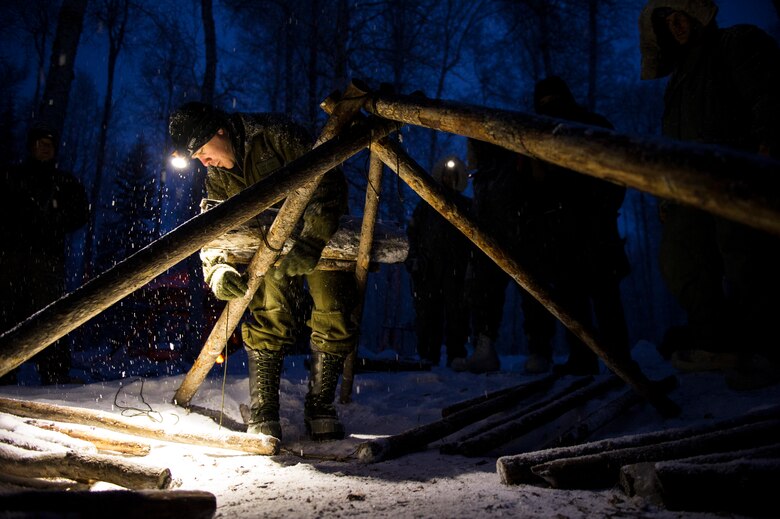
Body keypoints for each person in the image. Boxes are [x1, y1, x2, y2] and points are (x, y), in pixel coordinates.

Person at [168, 102, 357, 441]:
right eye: (195, 156)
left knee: (335, 310)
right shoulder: (219, 178)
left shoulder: (275, 134)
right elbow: (215, 230)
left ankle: (320, 405)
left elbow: (328, 181)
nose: (202, 161)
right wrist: (218, 270)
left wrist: (312, 241)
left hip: (324, 240)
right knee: (269, 311)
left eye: (201, 150)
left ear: (220, 131)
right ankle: (265, 410)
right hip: (268, 249)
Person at [639, 0, 780, 385]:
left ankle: (766, 349)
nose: (677, 25)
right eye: (668, 21)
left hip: (738, 173)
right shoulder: (678, 81)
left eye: (681, 16)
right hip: (689, 189)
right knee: (679, 260)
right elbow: (672, 142)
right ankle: (718, 346)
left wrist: (767, 146)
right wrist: (668, 197)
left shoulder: (737, 42)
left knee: (745, 256)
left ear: (697, 15)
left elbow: (769, 93)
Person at [521, 76, 631, 376]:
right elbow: (533, 185)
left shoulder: (588, 125)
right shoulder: (540, 132)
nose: (549, 104)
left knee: (600, 295)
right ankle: (588, 358)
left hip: (591, 225)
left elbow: (617, 171)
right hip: (564, 229)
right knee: (576, 297)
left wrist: (605, 207)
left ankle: (617, 358)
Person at [0, 127, 89, 385]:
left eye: (49, 143)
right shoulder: (12, 177)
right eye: (40, 143)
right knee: (8, 310)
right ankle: (5, 369)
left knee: (50, 314)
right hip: (11, 256)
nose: (45, 148)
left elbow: (80, 213)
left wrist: (54, 221)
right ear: (32, 146)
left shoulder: (64, 181)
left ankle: (54, 370)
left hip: (46, 257)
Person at [451, 139, 526, 374]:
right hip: (489, 245)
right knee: (482, 294)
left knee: (531, 291)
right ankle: (484, 347)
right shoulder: (485, 175)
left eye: (471, 149)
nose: (468, 155)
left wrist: (507, 234)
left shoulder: (503, 169)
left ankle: (539, 349)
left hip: (510, 241)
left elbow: (507, 206)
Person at [405, 156, 471, 367]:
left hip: (456, 270)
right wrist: (414, 259)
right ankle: (427, 355)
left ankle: (456, 355)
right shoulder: (426, 205)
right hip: (428, 268)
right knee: (427, 313)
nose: (448, 178)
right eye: (445, 175)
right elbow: (412, 234)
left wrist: (471, 266)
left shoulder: (465, 207)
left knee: (457, 313)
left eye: (452, 176)